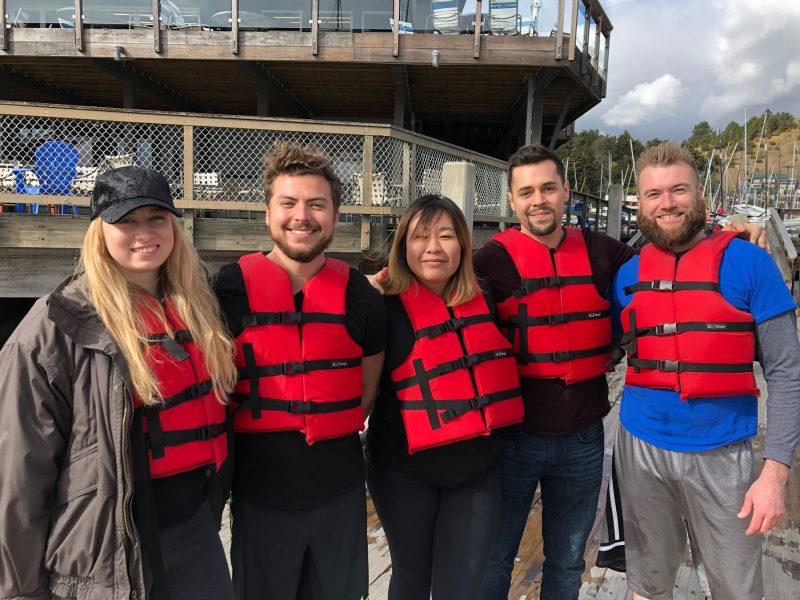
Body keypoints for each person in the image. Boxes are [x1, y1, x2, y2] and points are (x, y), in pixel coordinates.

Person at [475, 144, 767, 600]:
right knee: (493, 557)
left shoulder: (607, 254)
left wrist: (735, 234)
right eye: (527, 192)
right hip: (514, 439)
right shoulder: (487, 262)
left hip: (584, 439)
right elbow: (432, 281)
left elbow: (677, 251)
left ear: (566, 192)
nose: (539, 200)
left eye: (549, 188)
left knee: (570, 559)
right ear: (511, 201)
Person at [0, 165, 238, 600]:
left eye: (156, 218)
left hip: (194, 531)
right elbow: (19, 470)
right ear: (99, 231)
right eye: (125, 220)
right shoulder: (52, 327)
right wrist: (19, 589)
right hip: (105, 550)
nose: (143, 232)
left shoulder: (199, 302)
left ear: (174, 226)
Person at [609, 142, 800, 600]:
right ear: (639, 202)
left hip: (724, 454)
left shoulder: (751, 262)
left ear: (699, 193)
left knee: (736, 589)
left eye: (678, 190)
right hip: (639, 449)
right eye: (654, 194)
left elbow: (787, 372)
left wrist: (775, 476)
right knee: (648, 585)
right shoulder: (626, 274)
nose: (667, 203)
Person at [213, 141, 386, 600]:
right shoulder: (226, 290)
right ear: (267, 212)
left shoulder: (362, 297)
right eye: (288, 203)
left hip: (340, 494)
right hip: (258, 497)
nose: (301, 216)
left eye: (316, 204)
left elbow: (366, 395)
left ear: (336, 214)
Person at [365, 195, 524, 599]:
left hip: (477, 474)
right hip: (403, 473)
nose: (433, 247)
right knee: (411, 579)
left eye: (446, 236)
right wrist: (361, 293)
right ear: (403, 245)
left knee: (463, 587)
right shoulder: (379, 307)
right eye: (420, 236)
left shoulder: (485, 299)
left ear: (464, 245)